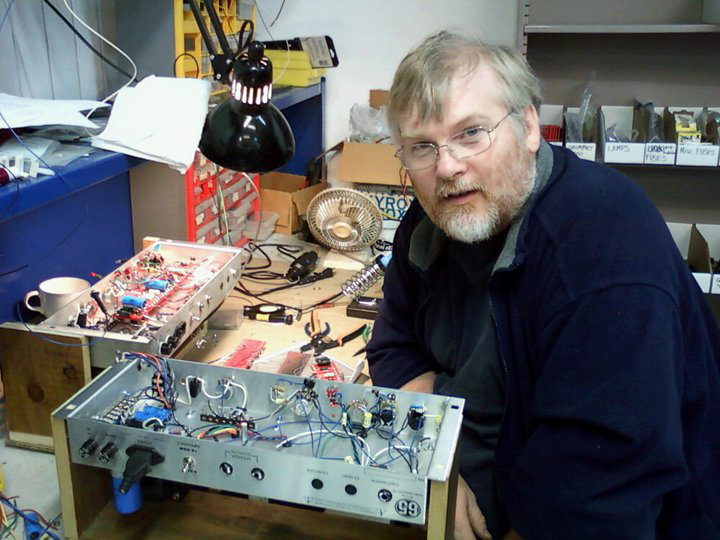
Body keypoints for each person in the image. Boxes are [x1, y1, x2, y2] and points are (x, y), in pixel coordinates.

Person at [366, 31, 720, 540]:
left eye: (471, 133)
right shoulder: (427, 225)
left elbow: (597, 495)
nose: (447, 167)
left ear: (529, 126)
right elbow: (394, 346)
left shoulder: (605, 246)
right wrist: (434, 456)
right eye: (422, 146)